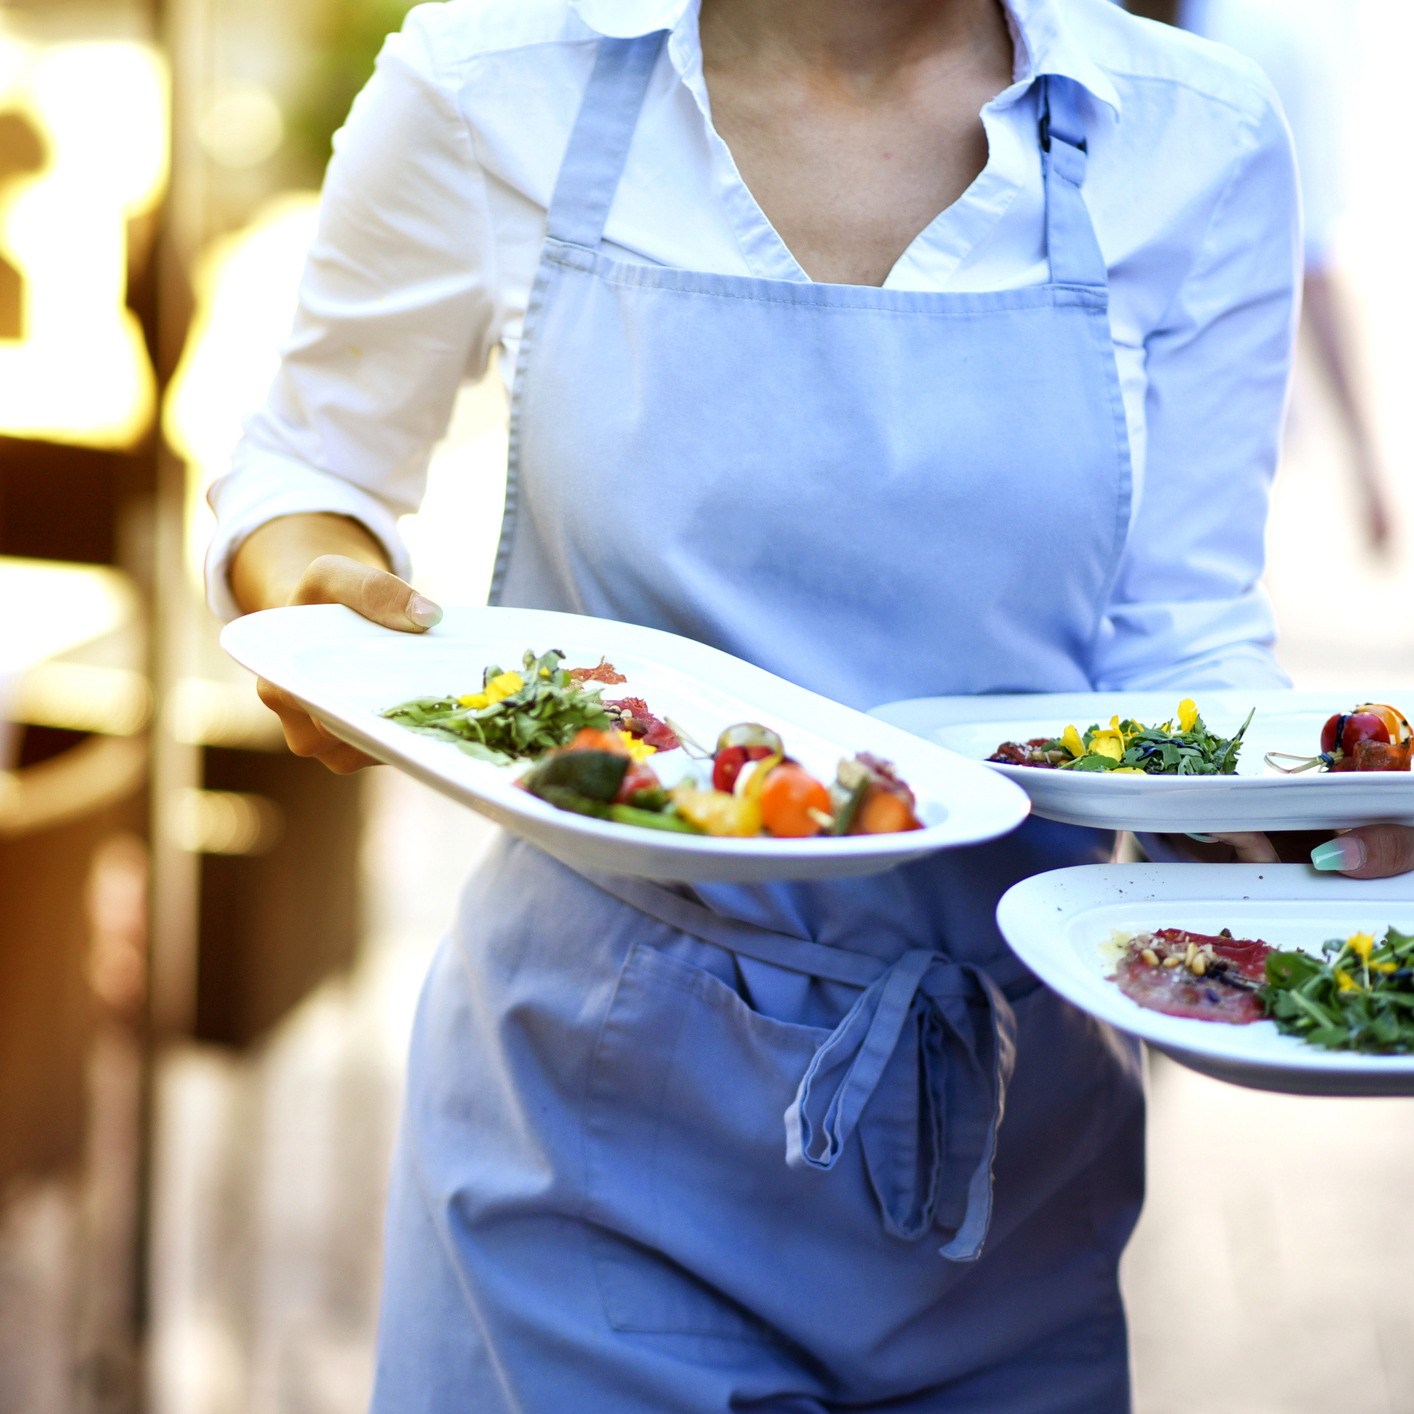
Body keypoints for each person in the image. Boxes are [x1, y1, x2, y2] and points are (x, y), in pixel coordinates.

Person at [211, 0, 1414, 1407]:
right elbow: (306, 464)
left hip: (1014, 1148)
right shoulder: (495, 75)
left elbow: (1179, 637)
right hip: (595, 1125)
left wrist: (1278, 823)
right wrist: (324, 601)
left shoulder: (1192, 135)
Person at [1133, 0, 1394, 550]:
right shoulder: (1030, 30)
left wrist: (1364, 459)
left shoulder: (1263, 46)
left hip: (1208, 427)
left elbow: (1310, 255)